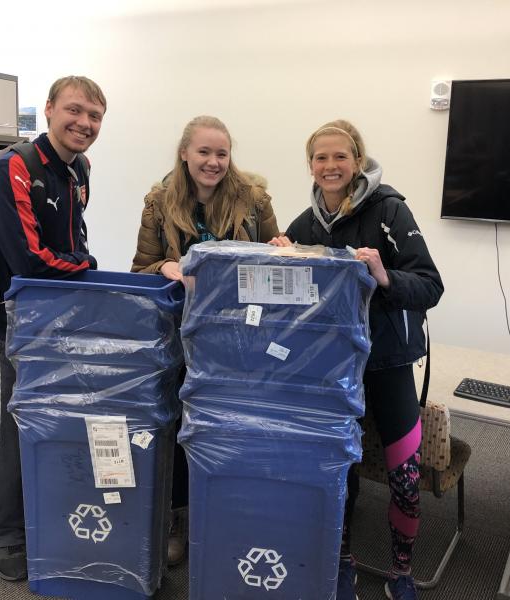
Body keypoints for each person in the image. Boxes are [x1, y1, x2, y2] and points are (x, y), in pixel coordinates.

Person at [270, 120, 443, 600]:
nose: (331, 166)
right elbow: (292, 299)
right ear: (311, 165)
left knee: (405, 474)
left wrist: (385, 276)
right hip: (333, 368)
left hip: (387, 364)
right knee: (338, 469)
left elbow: (431, 285)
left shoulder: (390, 210)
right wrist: (279, 258)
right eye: (321, 158)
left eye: (340, 157)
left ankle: (401, 572)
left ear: (358, 161)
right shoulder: (304, 225)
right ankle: (342, 561)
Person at [130, 114, 280, 565]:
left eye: (221, 153)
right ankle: (179, 516)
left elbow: (281, 260)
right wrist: (165, 268)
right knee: (180, 423)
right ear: (184, 153)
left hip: (241, 333)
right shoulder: (159, 202)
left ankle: (231, 512)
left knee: (233, 423)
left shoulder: (253, 198)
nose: (213, 162)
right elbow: (140, 268)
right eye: (204, 152)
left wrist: (280, 249)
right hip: (182, 331)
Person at [0, 75, 107, 582]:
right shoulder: (16, 166)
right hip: (13, 319)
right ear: (50, 109)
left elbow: (72, 235)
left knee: (51, 421)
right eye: (75, 111)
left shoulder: (81, 169)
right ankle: (4, 531)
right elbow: (29, 259)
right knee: (12, 429)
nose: (85, 123)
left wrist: (79, 266)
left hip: (60, 318)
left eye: (95, 116)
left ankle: (37, 520)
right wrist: (89, 266)